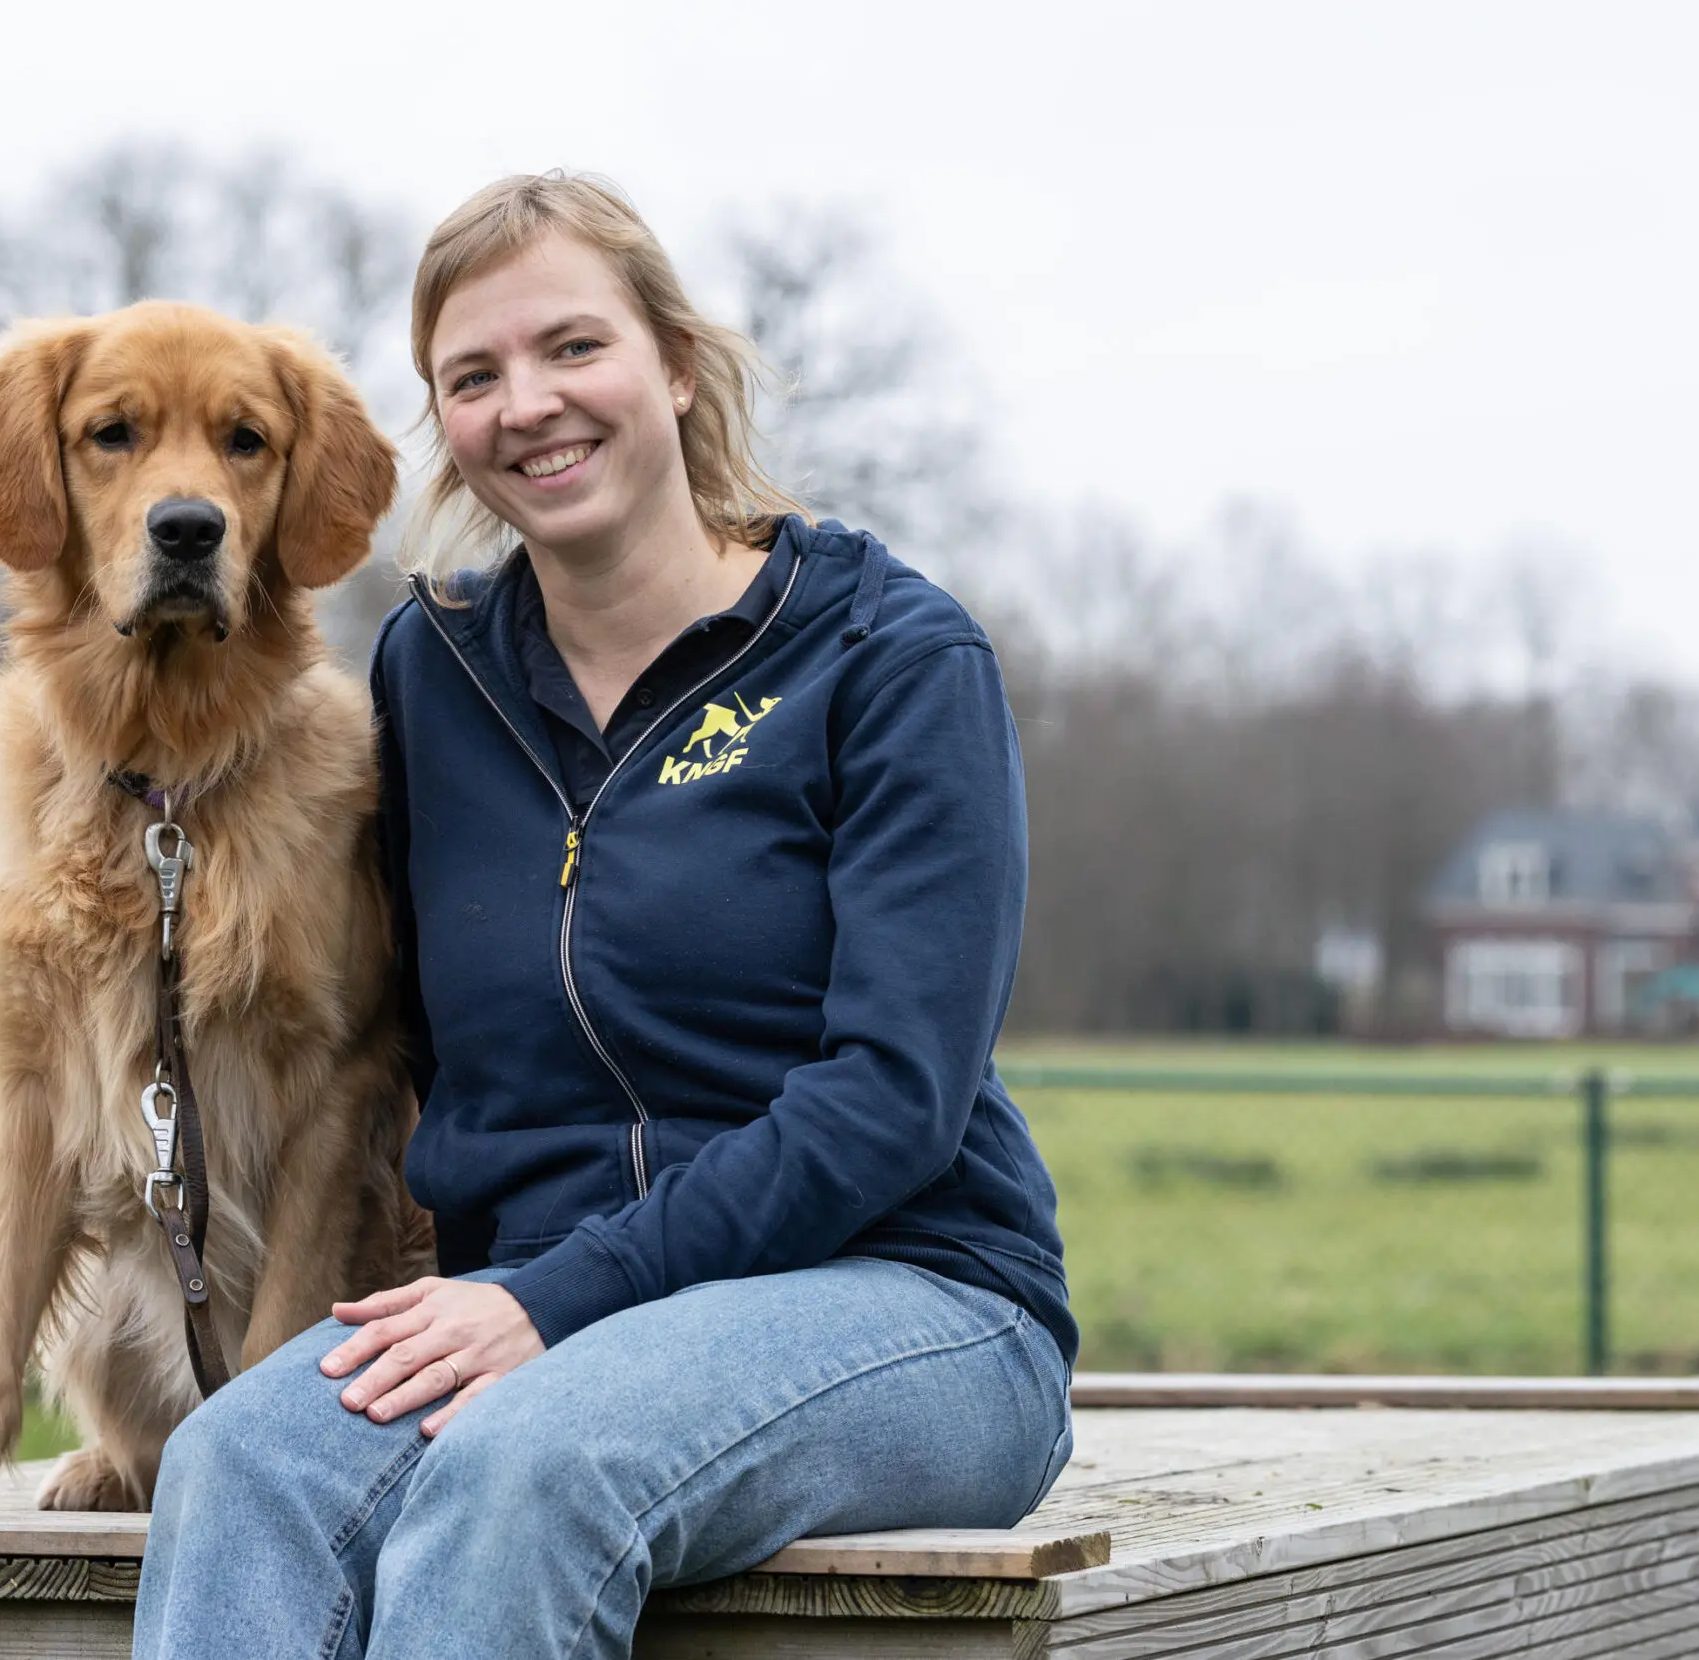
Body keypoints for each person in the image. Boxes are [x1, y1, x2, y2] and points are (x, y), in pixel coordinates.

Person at [130, 172, 1072, 1660]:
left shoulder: (891, 658)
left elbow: (895, 1098)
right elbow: (422, 1047)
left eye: (576, 347)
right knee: (240, 1459)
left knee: (526, 1470)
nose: (531, 403)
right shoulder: (433, 681)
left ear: (677, 366)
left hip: (912, 1294)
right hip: (547, 1304)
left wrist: (563, 1298)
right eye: (476, 376)